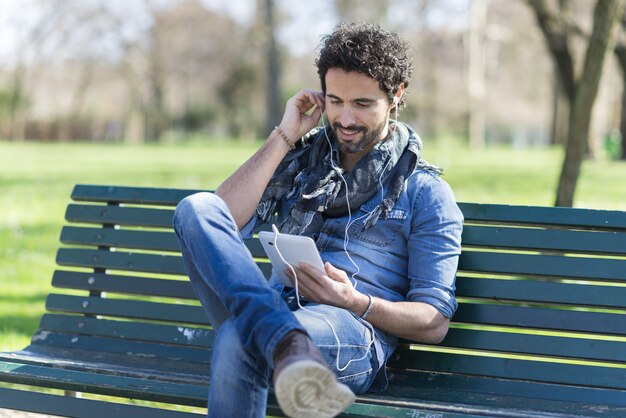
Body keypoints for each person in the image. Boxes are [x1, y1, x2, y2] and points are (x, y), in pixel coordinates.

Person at [173, 22, 463, 418]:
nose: (344, 118)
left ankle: (278, 336)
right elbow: (220, 219)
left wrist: (354, 301)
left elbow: (434, 322)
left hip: (350, 331)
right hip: (279, 305)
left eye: (362, 104)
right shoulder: (301, 162)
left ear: (396, 95)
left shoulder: (424, 192)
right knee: (196, 209)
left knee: (239, 336)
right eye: (335, 101)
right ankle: (285, 340)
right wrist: (284, 136)